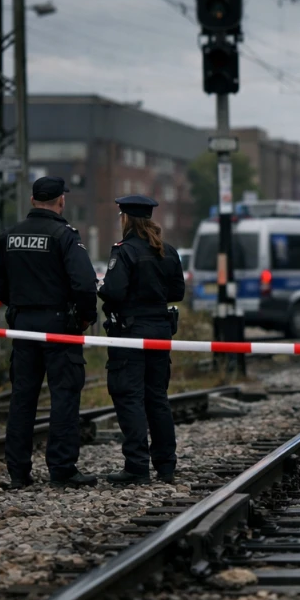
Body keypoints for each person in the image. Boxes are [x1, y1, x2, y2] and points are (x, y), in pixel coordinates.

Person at [0, 176, 99, 489]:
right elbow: (84, 284)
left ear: (33, 200)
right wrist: (85, 318)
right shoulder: (65, 236)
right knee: (64, 395)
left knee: (23, 398)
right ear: (61, 200)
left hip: (23, 326)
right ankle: (62, 469)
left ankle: (18, 472)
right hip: (59, 326)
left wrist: (20, 305)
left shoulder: (10, 235)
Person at [98, 195, 186, 485]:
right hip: (160, 330)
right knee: (157, 397)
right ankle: (166, 465)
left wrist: (104, 289)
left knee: (129, 396)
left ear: (125, 218)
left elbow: (113, 292)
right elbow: (177, 292)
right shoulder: (168, 251)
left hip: (131, 333)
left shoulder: (124, 251)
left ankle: (137, 466)